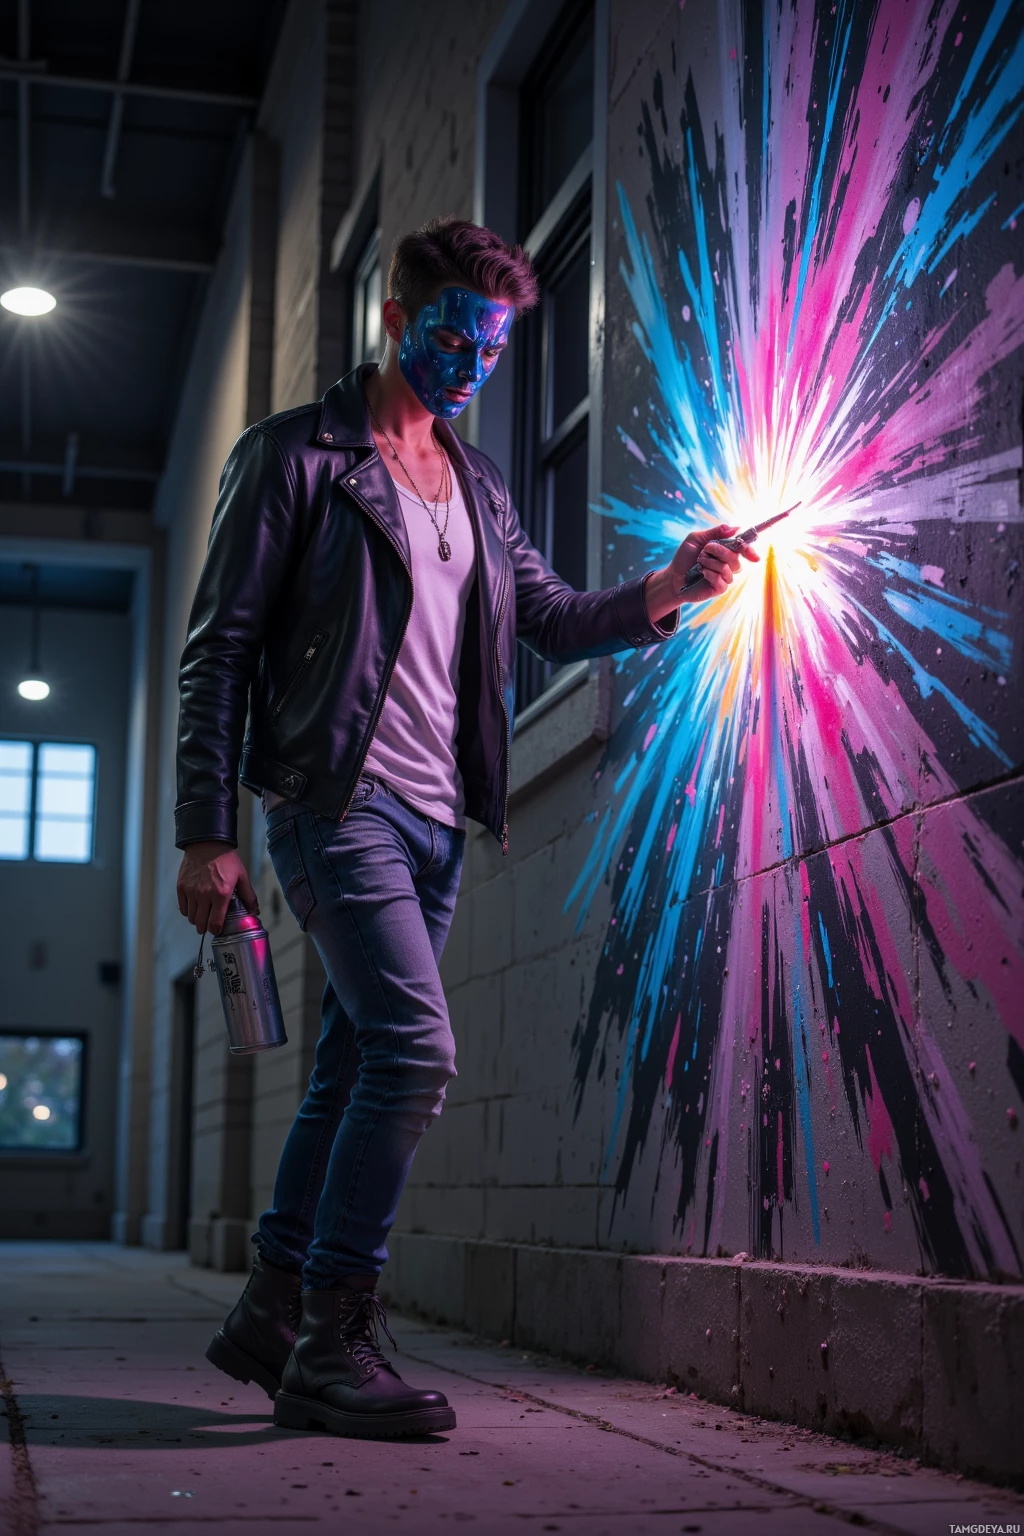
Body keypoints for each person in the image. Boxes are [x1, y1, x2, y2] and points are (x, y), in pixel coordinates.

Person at [175, 215, 755, 1440]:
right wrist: (202, 831)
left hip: (437, 825)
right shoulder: (295, 459)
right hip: (337, 810)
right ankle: (335, 1340)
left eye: (488, 351)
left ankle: (273, 1305)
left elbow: (546, 615)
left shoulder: (479, 484)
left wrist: (668, 590)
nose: (468, 367)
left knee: (347, 1070)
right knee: (417, 1056)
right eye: (449, 337)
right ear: (396, 321)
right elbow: (217, 651)